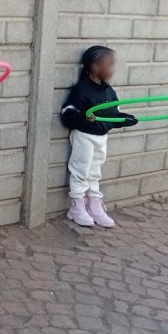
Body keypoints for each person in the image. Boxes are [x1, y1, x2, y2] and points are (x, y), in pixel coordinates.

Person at [60, 45, 137, 228]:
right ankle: (76, 206)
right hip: (84, 137)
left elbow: (112, 115)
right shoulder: (81, 90)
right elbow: (67, 113)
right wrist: (83, 118)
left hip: (101, 138)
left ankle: (94, 205)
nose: (112, 69)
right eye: (109, 65)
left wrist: (124, 120)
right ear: (95, 67)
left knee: (95, 172)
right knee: (81, 170)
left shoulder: (109, 91)